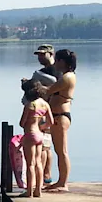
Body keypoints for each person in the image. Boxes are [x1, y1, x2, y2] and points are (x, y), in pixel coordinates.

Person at [39, 48, 77, 192]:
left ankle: (63, 183)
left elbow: (48, 91)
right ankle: (59, 181)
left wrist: (34, 85)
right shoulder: (65, 76)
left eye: (57, 61)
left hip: (61, 116)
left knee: (62, 151)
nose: (55, 63)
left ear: (62, 61)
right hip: (56, 116)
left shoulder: (67, 77)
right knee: (58, 150)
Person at [19, 95, 54, 197]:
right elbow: (50, 122)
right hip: (40, 135)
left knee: (30, 164)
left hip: (30, 134)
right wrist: (41, 126)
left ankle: (29, 191)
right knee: (38, 163)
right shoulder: (45, 104)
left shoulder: (29, 105)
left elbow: (22, 123)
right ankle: (38, 190)